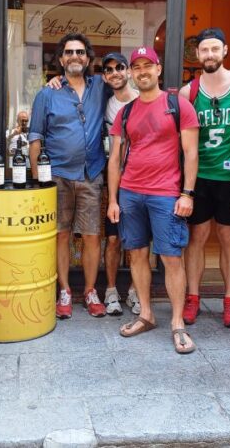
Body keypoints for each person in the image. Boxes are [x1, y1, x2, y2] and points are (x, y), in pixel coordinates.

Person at [107, 46, 199, 354]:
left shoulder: (178, 105)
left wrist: (187, 193)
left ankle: (176, 323)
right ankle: (146, 314)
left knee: (171, 257)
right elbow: (115, 159)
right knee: (136, 255)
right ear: (132, 73)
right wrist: (113, 199)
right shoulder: (127, 111)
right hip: (131, 192)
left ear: (158, 70)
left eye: (149, 65)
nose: (143, 71)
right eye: (137, 66)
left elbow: (191, 153)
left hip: (166, 193)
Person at [28, 33, 107, 319]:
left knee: (91, 236)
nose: (76, 56)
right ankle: (64, 289)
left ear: (88, 59)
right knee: (60, 235)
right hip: (58, 175)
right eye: (69, 52)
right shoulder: (47, 93)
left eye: (81, 52)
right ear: (61, 59)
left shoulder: (101, 85)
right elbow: (35, 137)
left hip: (91, 173)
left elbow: (127, 89)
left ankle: (89, 290)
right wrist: (38, 179)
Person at [179, 28, 230, 328]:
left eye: (215, 49)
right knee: (197, 238)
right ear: (197, 54)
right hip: (199, 176)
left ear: (224, 50)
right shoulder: (188, 92)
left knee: (229, 238)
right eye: (204, 50)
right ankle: (192, 297)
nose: (209, 54)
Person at [101, 52, 139, 316]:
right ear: (104, 76)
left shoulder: (143, 99)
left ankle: (136, 292)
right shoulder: (103, 102)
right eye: (109, 69)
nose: (115, 72)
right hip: (112, 179)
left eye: (120, 67)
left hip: (140, 180)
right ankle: (111, 291)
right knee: (113, 239)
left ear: (129, 71)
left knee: (137, 243)